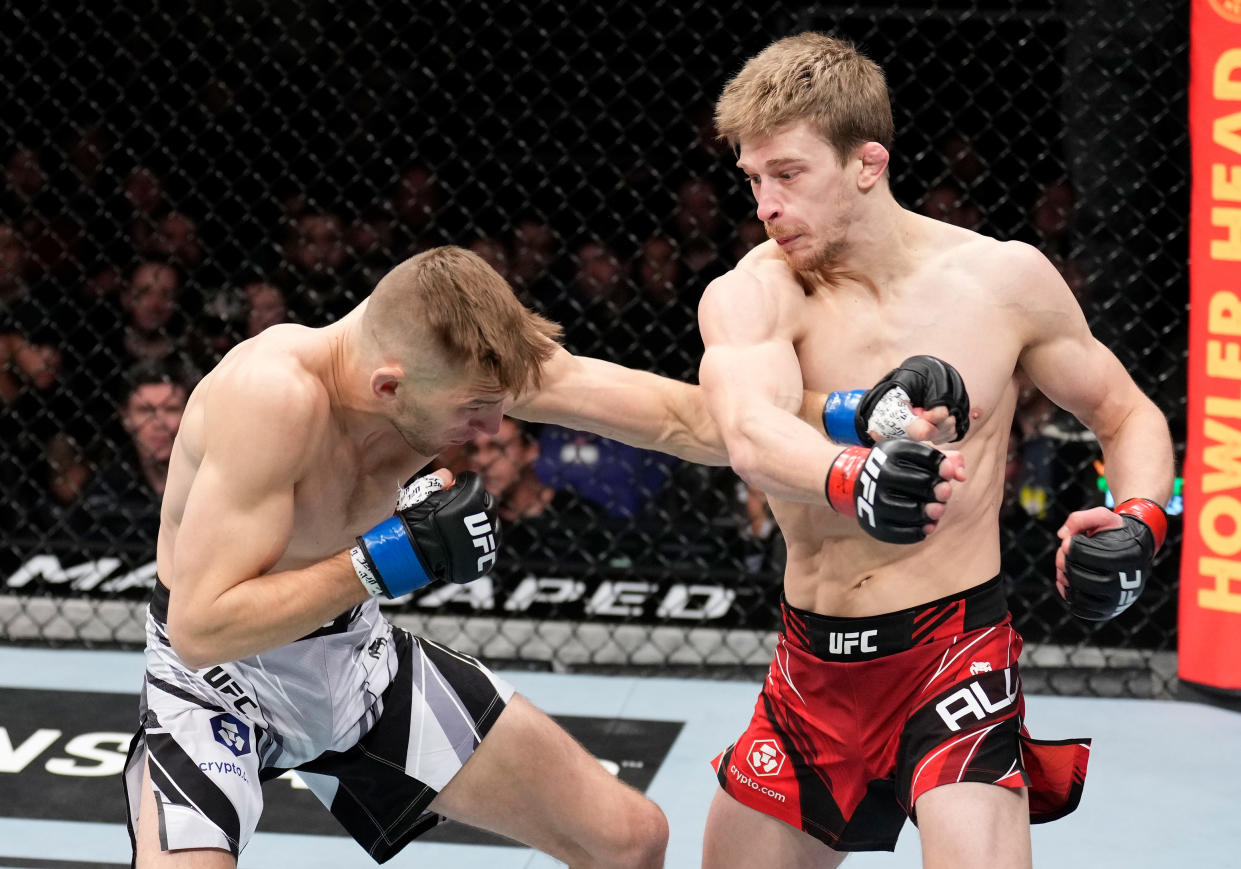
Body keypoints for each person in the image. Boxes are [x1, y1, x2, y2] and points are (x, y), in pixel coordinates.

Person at [122, 244, 963, 867]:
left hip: (354, 661)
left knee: (630, 840)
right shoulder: (270, 397)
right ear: (387, 388)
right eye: (476, 414)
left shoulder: (465, 362)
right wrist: (379, 563)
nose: (491, 435)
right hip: (217, 688)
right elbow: (201, 626)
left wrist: (857, 415)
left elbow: (689, 418)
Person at [697, 32, 1174, 869]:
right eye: (753, 180)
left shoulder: (1001, 281)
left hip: (955, 652)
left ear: (866, 162)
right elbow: (749, 432)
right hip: (812, 662)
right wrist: (854, 477)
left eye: (788, 175)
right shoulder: (754, 291)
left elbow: (1125, 411)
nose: (765, 206)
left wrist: (1138, 520)